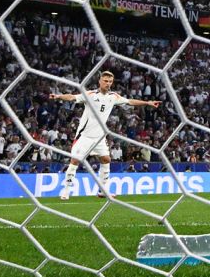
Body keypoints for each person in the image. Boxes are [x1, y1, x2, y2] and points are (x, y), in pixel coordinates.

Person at [49, 70, 162, 200]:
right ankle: (66, 191)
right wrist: (58, 97)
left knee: (106, 160)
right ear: (100, 81)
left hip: (100, 137)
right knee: (75, 161)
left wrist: (147, 103)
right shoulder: (90, 94)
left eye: (110, 81)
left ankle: (103, 190)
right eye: (105, 81)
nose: (108, 83)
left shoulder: (113, 96)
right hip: (84, 136)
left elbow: (130, 101)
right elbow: (72, 97)